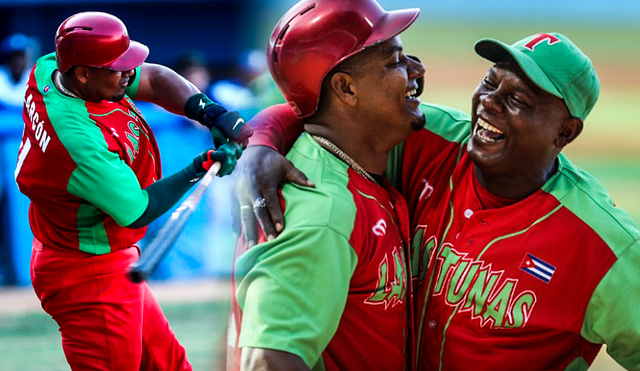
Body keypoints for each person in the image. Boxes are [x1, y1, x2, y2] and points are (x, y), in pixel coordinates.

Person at [235, 33, 640, 370]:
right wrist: (259, 142)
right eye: (489, 82)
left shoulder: (606, 247)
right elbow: (334, 113)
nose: (489, 103)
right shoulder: (434, 141)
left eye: (518, 100)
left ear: (564, 132)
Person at [15, 11, 252, 371]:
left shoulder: (53, 68)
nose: (129, 72)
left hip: (102, 258)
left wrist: (211, 113)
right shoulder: (77, 140)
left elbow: (154, 80)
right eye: (117, 66)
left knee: (169, 363)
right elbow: (139, 209)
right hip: (87, 273)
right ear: (83, 73)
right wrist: (199, 166)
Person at [226, 0, 426, 370]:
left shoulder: (351, 170)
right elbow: (268, 362)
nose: (417, 68)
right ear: (346, 89)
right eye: (395, 61)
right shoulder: (324, 209)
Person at [0, 33, 34, 108]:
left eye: (21, 57)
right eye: (13, 57)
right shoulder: (1, 76)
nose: (17, 62)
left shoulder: (36, 78)